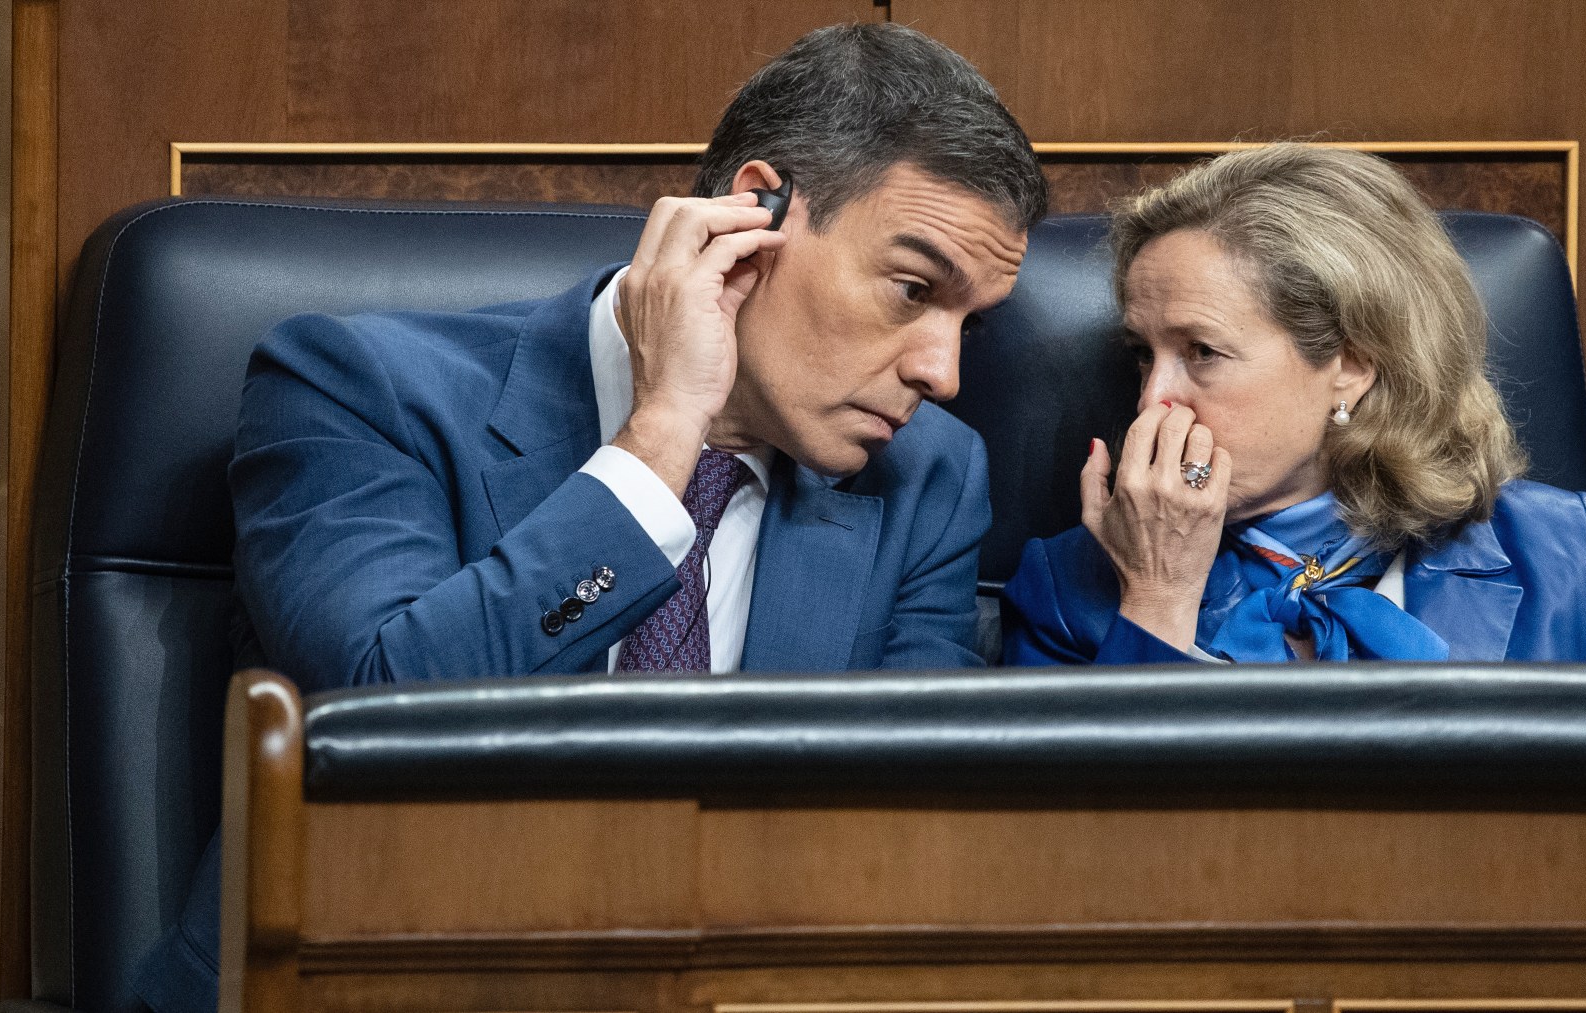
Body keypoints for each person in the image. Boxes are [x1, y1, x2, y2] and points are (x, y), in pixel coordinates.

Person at [133, 23, 1047, 1011]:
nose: (941, 370)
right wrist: (661, 442)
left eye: (970, 321)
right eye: (913, 290)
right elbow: (388, 723)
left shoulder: (928, 478)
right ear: (754, 217)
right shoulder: (358, 387)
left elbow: (906, 826)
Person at [1002, 143, 1586, 666]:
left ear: (1351, 364)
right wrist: (1157, 600)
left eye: (1201, 351)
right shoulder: (1065, 586)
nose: (1152, 400)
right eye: (1144, 353)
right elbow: (1096, 832)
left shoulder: (1560, 549)